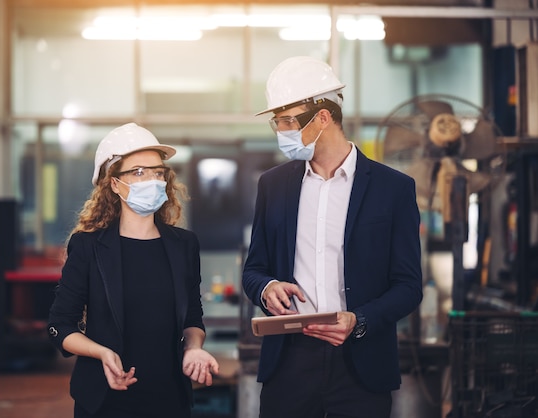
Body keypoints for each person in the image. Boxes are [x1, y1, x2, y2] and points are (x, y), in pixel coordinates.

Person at [242, 56, 423, 418]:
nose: (281, 131)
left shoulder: (393, 189)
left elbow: (408, 286)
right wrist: (267, 287)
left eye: (287, 121)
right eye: (277, 122)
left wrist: (359, 320)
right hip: (288, 364)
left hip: (362, 366)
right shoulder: (273, 186)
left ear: (323, 118)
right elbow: (253, 269)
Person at [48, 122, 220, 418]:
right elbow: (60, 326)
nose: (151, 180)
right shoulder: (88, 247)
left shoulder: (184, 245)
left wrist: (193, 348)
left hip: (169, 398)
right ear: (114, 184)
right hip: (105, 399)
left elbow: (192, 316)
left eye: (157, 172)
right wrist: (101, 352)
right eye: (138, 172)